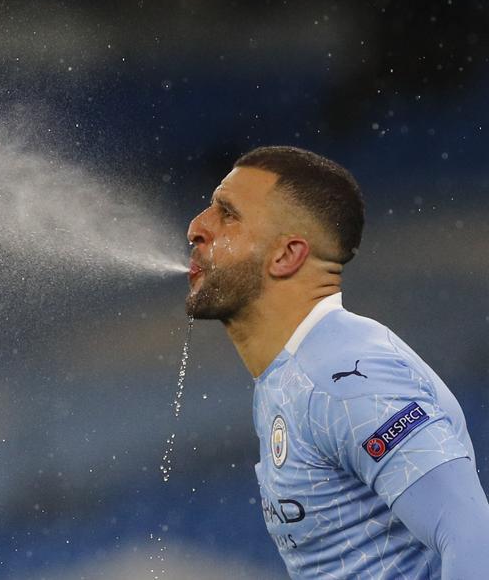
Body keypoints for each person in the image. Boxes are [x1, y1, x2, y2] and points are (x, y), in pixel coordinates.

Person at [185, 145, 489, 578]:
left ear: (287, 255)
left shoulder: (343, 378)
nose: (197, 227)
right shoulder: (293, 374)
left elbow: (471, 535)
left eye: (227, 213)